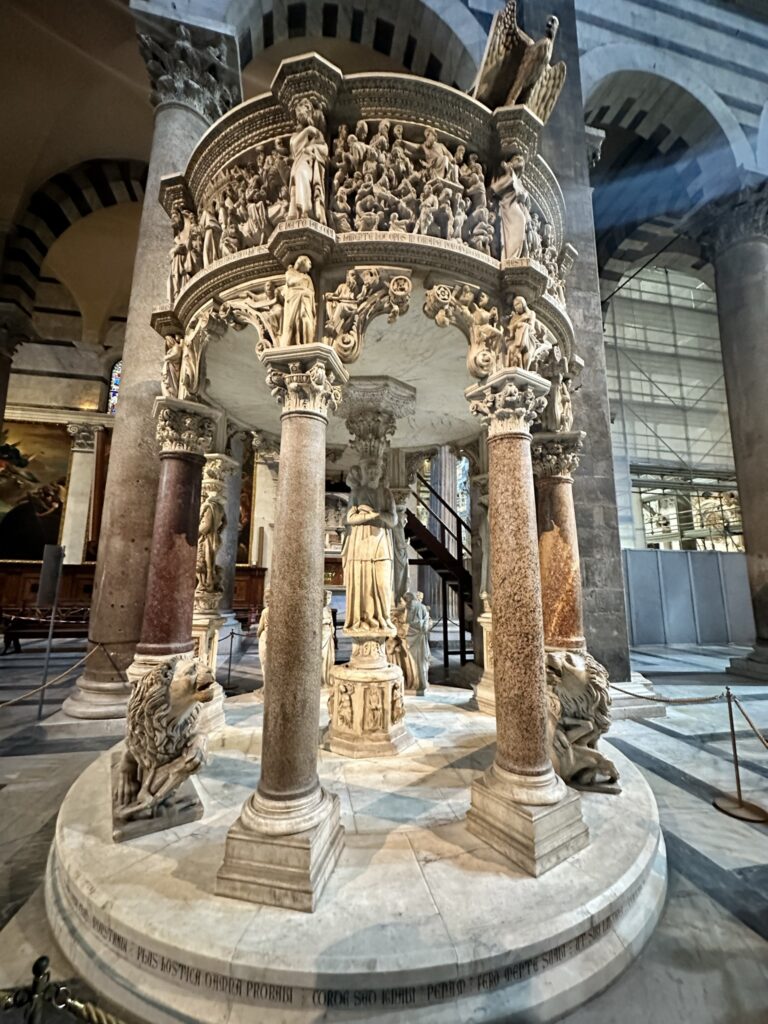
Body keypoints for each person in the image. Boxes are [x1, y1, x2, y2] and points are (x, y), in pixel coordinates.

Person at [342, 459, 397, 633]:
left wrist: (378, 516)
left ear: (380, 474)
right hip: (361, 543)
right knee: (363, 585)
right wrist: (366, 517)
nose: (373, 475)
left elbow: (394, 519)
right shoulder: (357, 492)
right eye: (369, 472)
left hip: (381, 542)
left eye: (376, 472)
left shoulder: (386, 493)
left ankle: (383, 617)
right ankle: (364, 619)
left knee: (383, 584)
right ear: (365, 474)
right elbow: (349, 518)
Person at [287, 97, 329, 222]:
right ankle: (296, 214)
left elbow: (325, 149)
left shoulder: (316, 133)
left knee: (302, 175)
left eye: (302, 113)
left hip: (308, 162)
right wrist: (307, 131)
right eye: (298, 115)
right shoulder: (297, 135)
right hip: (298, 162)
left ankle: (306, 210)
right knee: (295, 186)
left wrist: (313, 149)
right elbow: (294, 147)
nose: (299, 117)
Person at [280, 256, 315, 346]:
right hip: (293, 301)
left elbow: (312, 292)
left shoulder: (308, 278)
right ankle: (291, 342)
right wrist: (302, 284)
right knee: (292, 323)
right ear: (302, 262)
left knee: (306, 320)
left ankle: (307, 342)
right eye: (309, 264)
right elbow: (290, 282)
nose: (310, 267)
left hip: (305, 302)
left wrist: (305, 291)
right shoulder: (290, 272)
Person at [321, 590, 336, 688]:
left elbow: (332, 624)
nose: (328, 600)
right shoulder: (319, 609)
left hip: (329, 635)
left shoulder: (329, 609)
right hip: (323, 636)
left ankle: (328, 679)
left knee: (330, 658)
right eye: (326, 598)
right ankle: (322, 680)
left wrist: (332, 628)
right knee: (323, 658)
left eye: (329, 598)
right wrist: (326, 621)